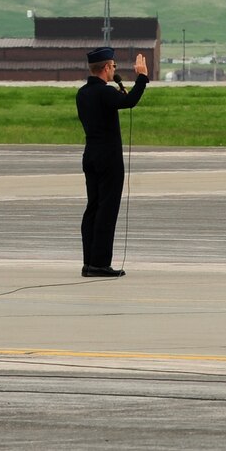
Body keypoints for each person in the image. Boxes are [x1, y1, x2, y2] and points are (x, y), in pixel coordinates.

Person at [76, 47, 149, 278]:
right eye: (114, 66)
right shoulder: (104, 92)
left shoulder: (83, 93)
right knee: (107, 210)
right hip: (108, 158)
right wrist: (142, 78)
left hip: (90, 155)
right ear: (107, 67)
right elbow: (129, 102)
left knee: (93, 208)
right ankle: (100, 263)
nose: (114, 70)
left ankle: (89, 262)